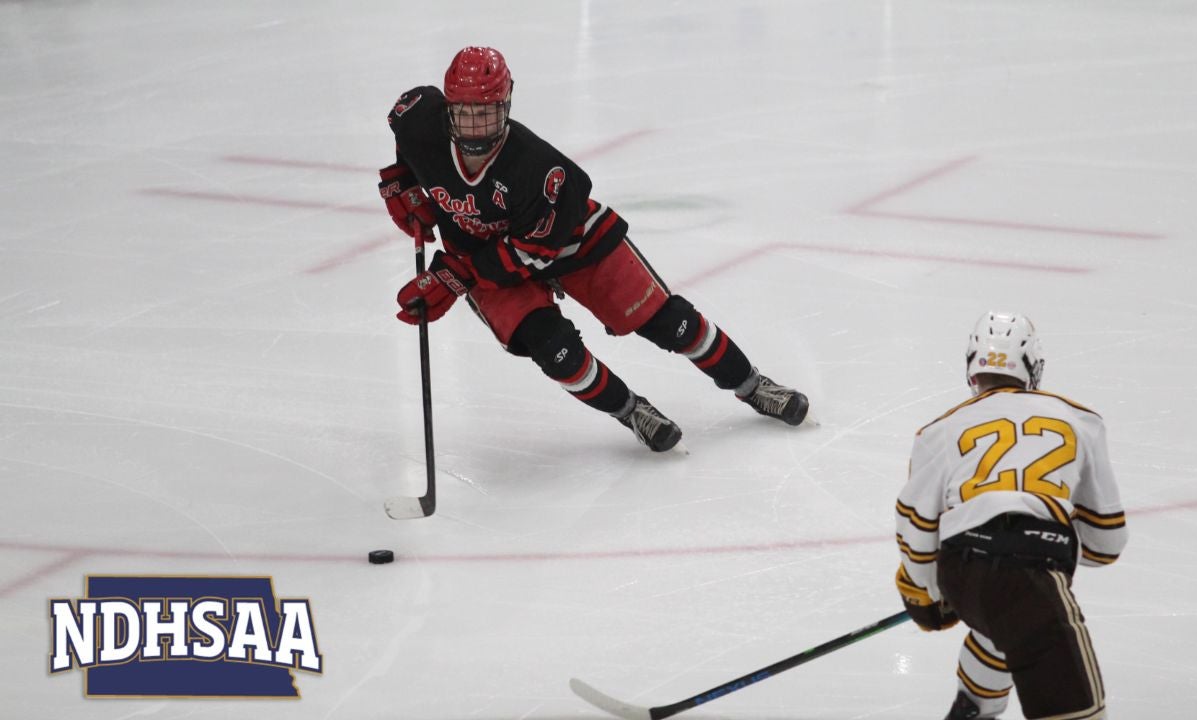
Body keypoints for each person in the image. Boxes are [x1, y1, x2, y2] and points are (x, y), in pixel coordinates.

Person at [380, 47, 809, 452]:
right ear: (448, 109)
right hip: (478, 255)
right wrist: (400, 179)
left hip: (566, 241)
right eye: (464, 113)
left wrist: (455, 275)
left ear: (506, 106)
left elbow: (531, 253)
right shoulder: (420, 119)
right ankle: (632, 411)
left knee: (668, 322)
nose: (474, 127)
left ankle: (753, 386)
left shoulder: (541, 169)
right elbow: (407, 141)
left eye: (486, 114)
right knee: (555, 351)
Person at [894, 312, 1127, 720]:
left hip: (960, 568)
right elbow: (1107, 542)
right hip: (1028, 569)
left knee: (1001, 626)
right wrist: (1052, 530)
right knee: (1077, 709)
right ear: (1034, 368)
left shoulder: (939, 431)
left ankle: (974, 708)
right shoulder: (1080, 419)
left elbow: (916, 526)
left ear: (972, 366)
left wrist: (927, 594)